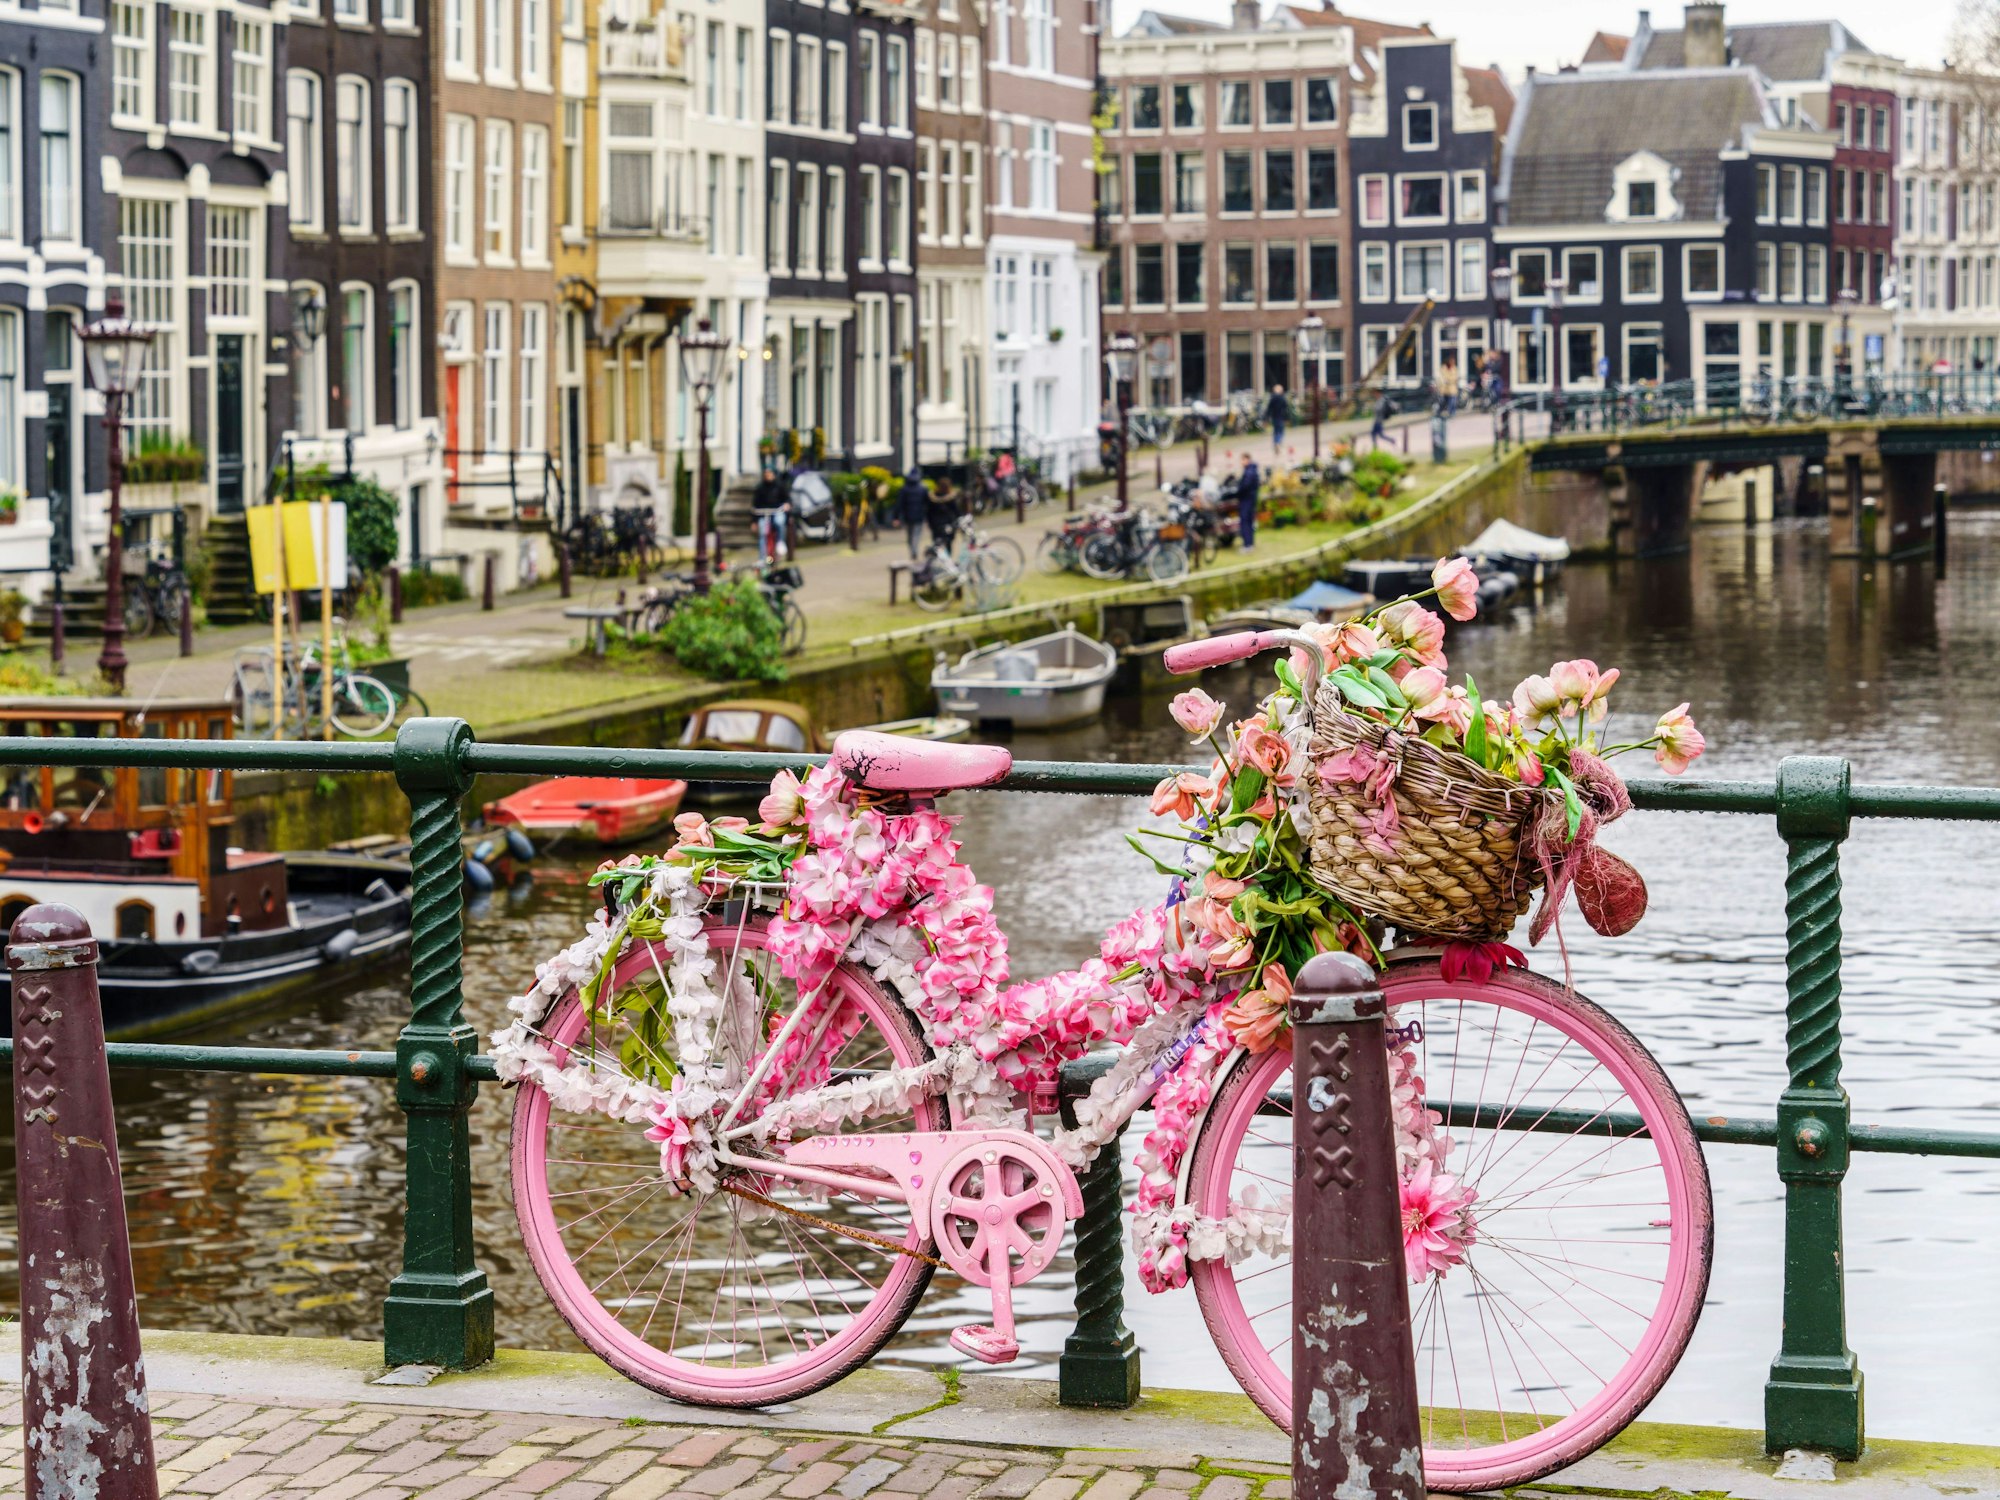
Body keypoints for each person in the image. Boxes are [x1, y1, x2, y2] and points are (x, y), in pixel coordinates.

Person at [751, 464, 788, 563]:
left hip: (776, 511)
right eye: (766, 474)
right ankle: (762, 558)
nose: (768, 476)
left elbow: (787, 499)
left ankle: (780, 543)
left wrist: (786, 505)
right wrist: (754, 521)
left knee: (779, 522)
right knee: (762, 533)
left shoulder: (779, 486)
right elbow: (755, 505)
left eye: (769, 473)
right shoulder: (760, 488)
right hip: (763, 514)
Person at [898, 467, 931, 561]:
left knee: (909, 535)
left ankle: (912, 551)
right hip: (919, 515)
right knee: (916, 535)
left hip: (907, 516)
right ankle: (914, 551)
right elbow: (928, 503)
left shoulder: (904, 489)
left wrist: (896, 517)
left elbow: (899, 504)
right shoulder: (923, 488)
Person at [925, 471, 961, 554]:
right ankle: (948, 557)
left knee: (937, 543)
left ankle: (939, 557)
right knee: (948, 543)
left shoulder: (932, 498)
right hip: (948, 523)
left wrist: (930, 524)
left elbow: (928, 512)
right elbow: (956, 511)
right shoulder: (951, 498)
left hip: (936, 524)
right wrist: (959, 520)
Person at [1236, 456, 1261, 551]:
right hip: (1251, 500)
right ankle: (1250, 543)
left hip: (1247, 500)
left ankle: (1247, 545)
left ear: (1247, 459)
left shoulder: (1249, 472)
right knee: (1249, 522)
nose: (1241, 462)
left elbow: (1245, 486)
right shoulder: (1253, 470)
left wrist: (1238, 491)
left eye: (1243, 460)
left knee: (1245, 522)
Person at [1265, 385, 1289, 450]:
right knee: (1281, 431)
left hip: (1274, 417)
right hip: (1281, 417)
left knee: (1276, 431)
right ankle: (1278, 442)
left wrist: (1266, 419)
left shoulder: (1272, 399)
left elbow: (1269, 410)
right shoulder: (1283, 399)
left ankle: (1276, 442)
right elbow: (1286, 409)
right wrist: (1287, 418)